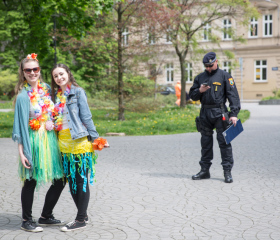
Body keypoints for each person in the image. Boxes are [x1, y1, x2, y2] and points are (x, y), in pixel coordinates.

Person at [51, 63, 109, 232]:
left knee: (81, 181)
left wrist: (97, 138)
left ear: (68, 73)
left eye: (61, 74)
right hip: (63, 144)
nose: (59, 77)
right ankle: (83, 215)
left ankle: (80, 219)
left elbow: (86, 116)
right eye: (56, 76)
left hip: (80, 142)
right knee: (72, 183)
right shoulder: (56, 96)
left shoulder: (77, 92)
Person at [12, 53, 65, 232]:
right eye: (28, 70)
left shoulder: (48, 89)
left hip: (50, 141)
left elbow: (55, 111)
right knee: (31, 180)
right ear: (23, 72)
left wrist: (53, 121)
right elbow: (19, 128)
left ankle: (46, 216)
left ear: (39, 70)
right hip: (33, 142)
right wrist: (22, 153)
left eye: (35, 69)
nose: (33, 72)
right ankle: (26, 220)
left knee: (60, 179)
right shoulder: (22, 97)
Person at [189, 52, 240, 183]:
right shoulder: (200, 77)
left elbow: (233, 96)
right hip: (205, 113)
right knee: (205, 143)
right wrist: (199, 90)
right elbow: (192, 95)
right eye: (206, 66)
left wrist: (234, 114)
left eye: (210, 65)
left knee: (224, 143)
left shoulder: (225, 76)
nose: (208, 68)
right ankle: (204, 171)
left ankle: (227, 172)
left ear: (216, 62)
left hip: (220, 113)